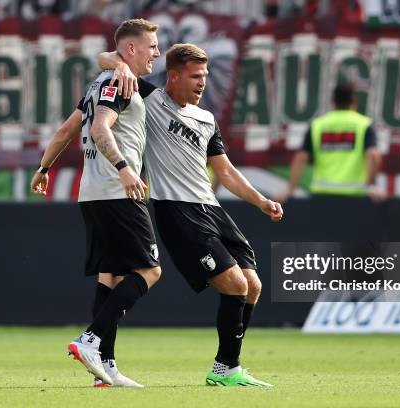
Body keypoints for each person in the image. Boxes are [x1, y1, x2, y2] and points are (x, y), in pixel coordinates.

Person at [98, 43, 283, 387]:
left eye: (206, 76)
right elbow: (105, 58)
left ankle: (227, 365)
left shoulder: (207, 119)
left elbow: (225, 172)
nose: (203, 83)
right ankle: (226, 370)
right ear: (174, 75)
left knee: (253, 285)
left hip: (211, 208)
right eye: (196, 76)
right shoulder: (150, 100)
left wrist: (261, 201)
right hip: (176, 209)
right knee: (235, 284)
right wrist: (121, 67)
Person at [30, 18, 161, 388]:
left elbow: (65, 129)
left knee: (111, 274)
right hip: (118, 191)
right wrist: (124, 168)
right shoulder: (119, 84)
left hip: (92, 193)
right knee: (150, 271)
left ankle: (106, 369)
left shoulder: (105, 80)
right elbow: (99, 127)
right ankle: (91, 339)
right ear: (132, 49)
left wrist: (43, 167)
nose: (157, 52)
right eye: (152, 46)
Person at [276, 82, 385, 203]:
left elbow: (301, 157)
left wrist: (290, 189)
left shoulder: (318, 125)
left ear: (333, 101)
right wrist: (371, 186)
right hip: (355, 196)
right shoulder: (364, 125)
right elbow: (373, 155)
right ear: (354, 101)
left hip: (322, 195)